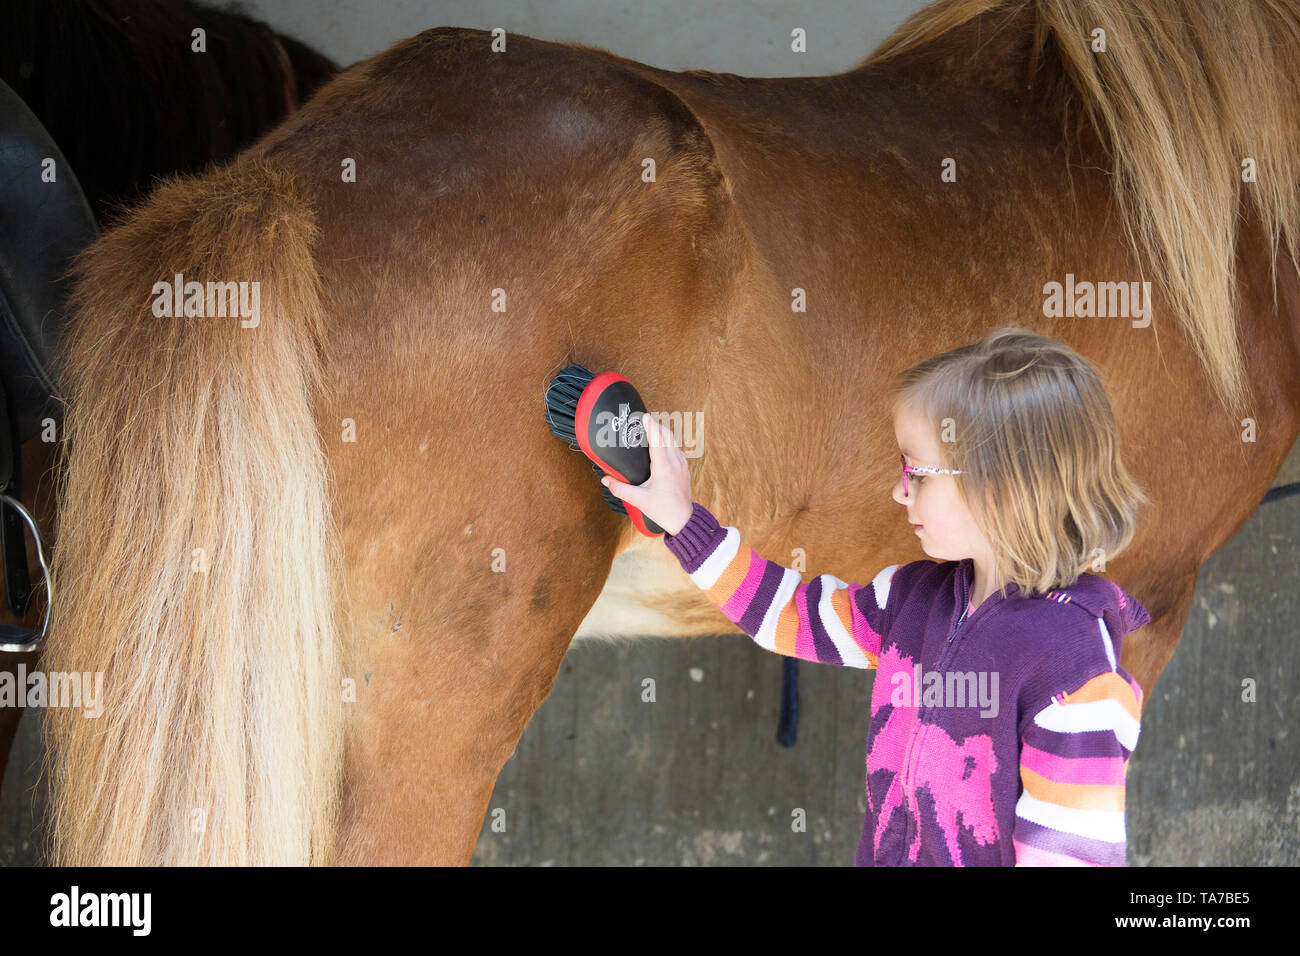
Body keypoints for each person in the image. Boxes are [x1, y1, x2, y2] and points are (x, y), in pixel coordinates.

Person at [600, 326, 1153, 866]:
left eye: (916, 471)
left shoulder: (1076, 678)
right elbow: (788, 615)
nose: (897, 490)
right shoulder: (911, 599)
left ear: (1002, 486)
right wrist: (683, 521)